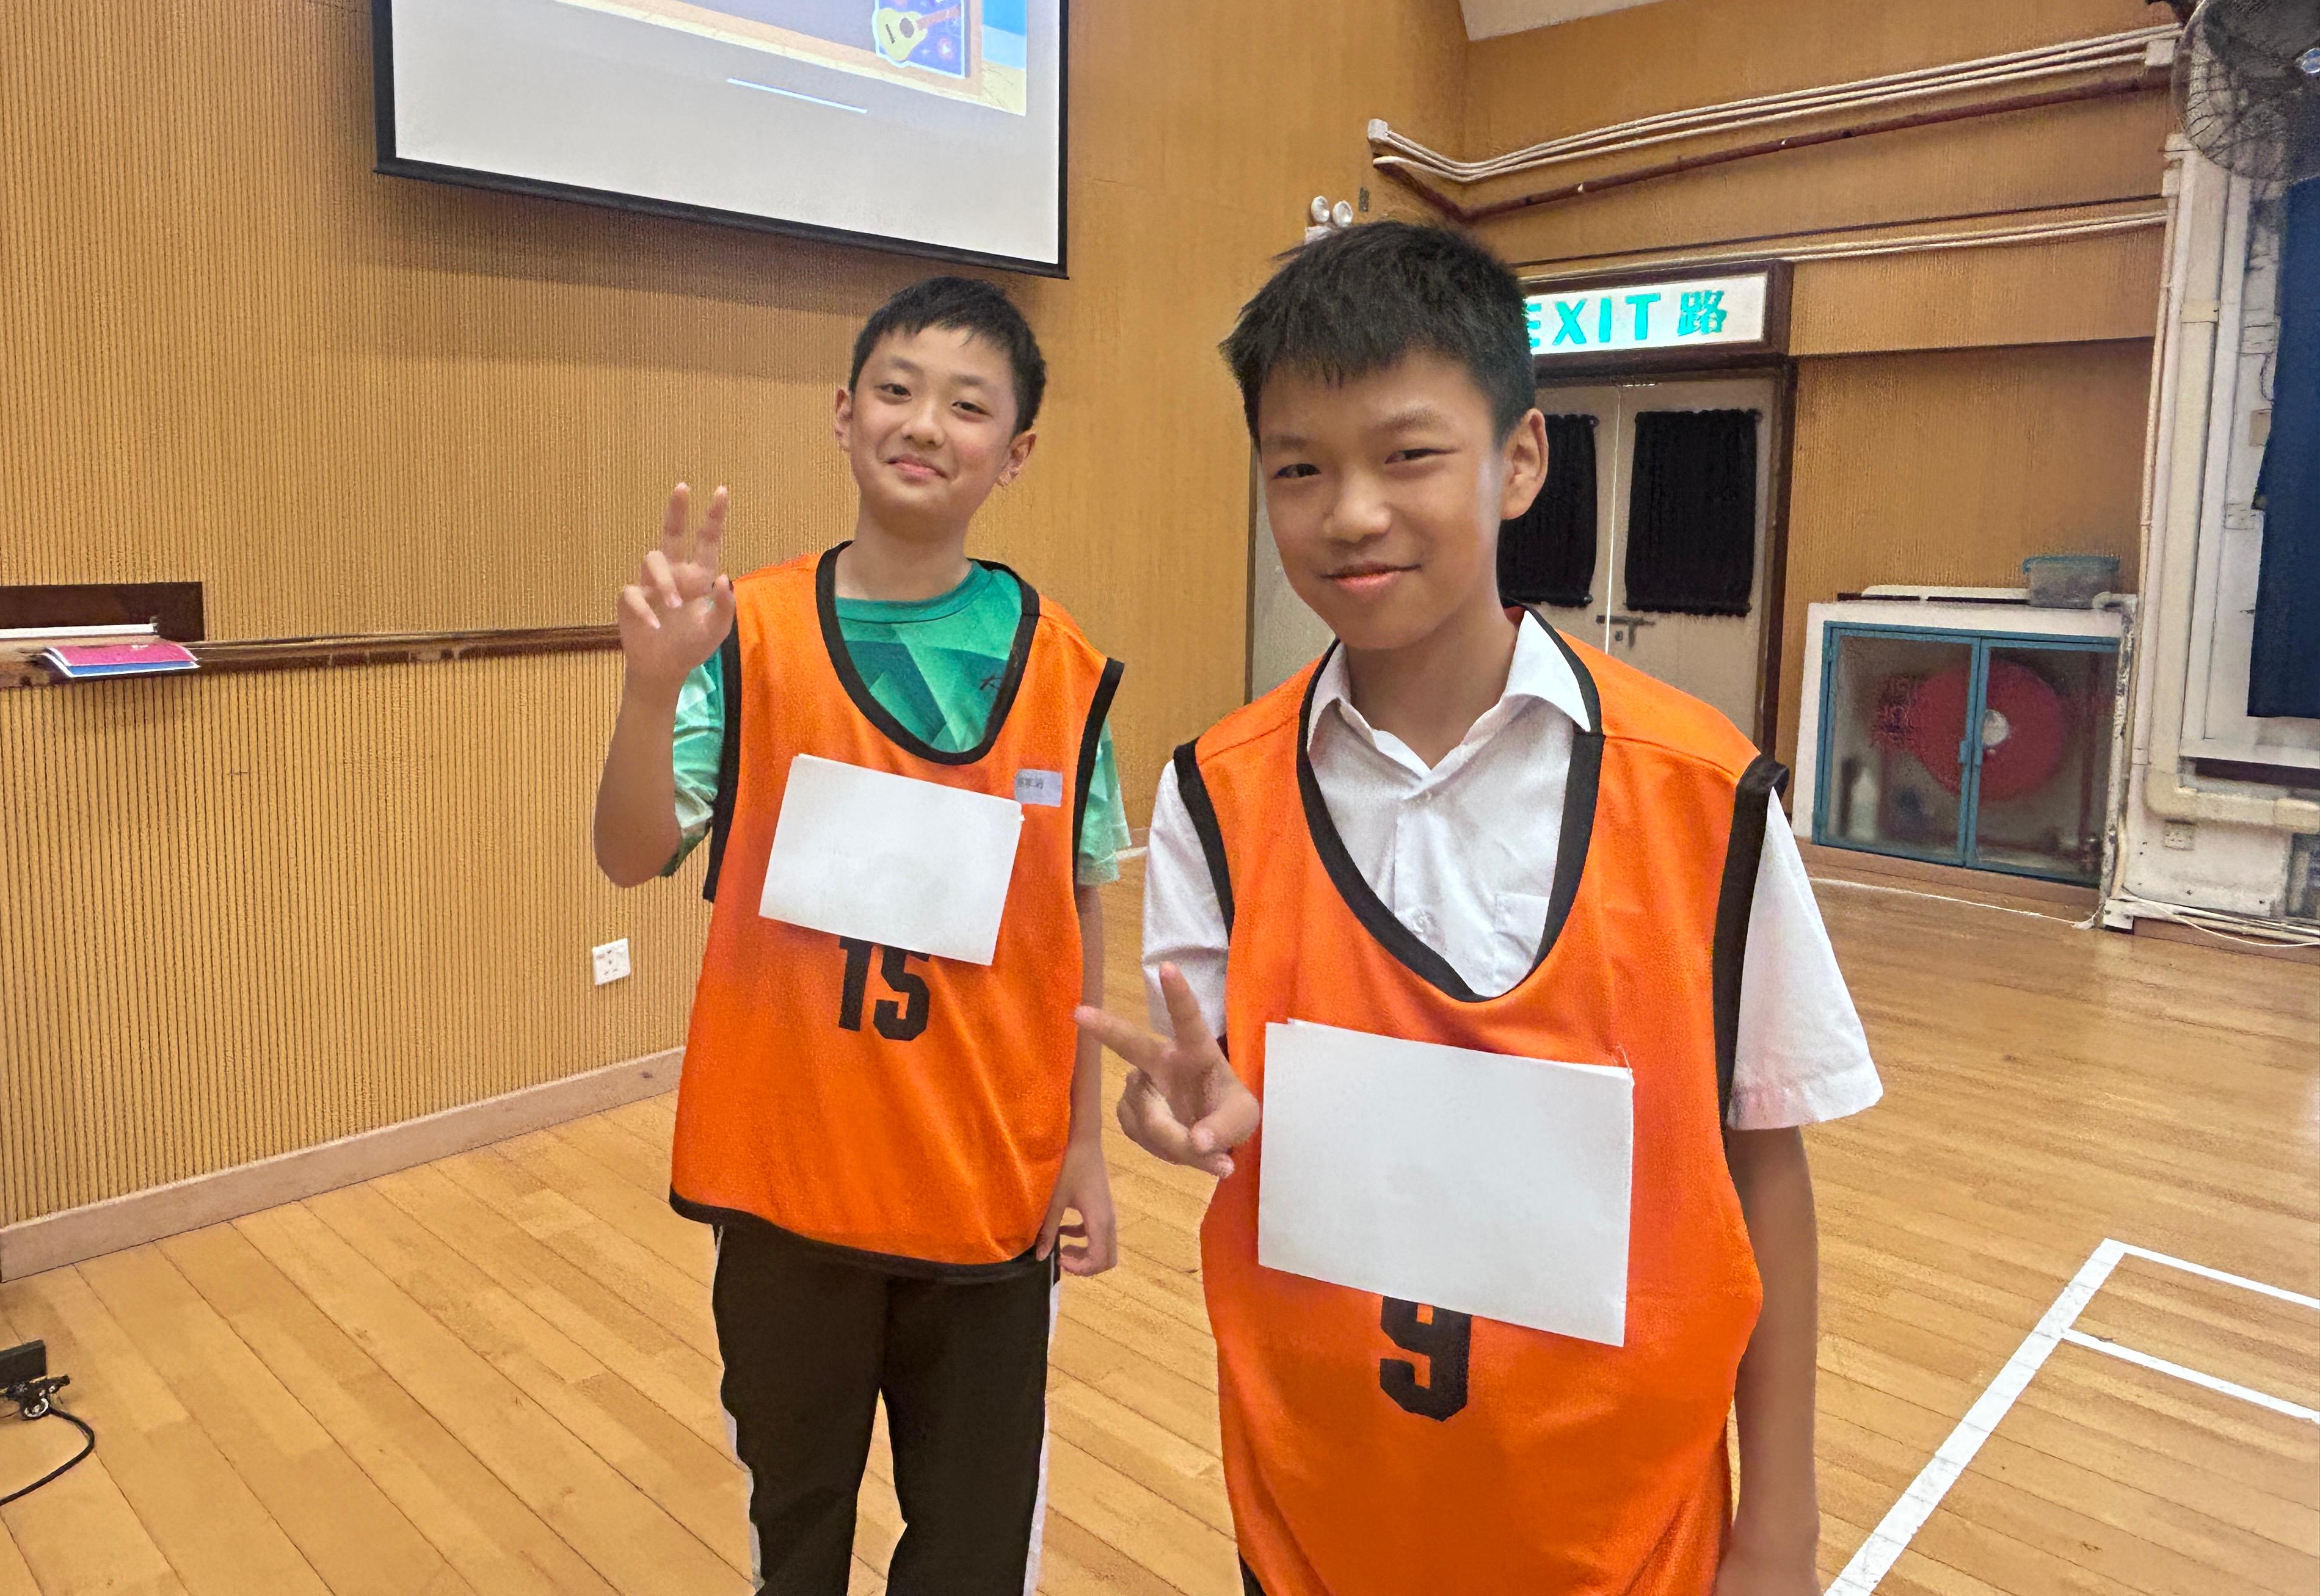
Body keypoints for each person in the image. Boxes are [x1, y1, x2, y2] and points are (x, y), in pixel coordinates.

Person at [1080, 222, 1878, 1596]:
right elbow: (1204, 1084)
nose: (1351, 512)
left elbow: (1762, 1170)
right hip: (1315, 1522)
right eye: (1298, 468)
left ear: (1520, 460)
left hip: (1625, 1542)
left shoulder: (1703, 792)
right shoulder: (1215, 790)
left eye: (1408, 455)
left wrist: (1783, 1528)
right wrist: (1167, 1114)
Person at [593, 275, 1130, 1596]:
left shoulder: (1065, 670)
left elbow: (1073, 926)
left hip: (984, 1189)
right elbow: (629, 852)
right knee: (800, 1533)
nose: (925, 423)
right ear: (844, 414)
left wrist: (1084, 1146)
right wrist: (652, 689)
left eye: (968, 406)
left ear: (1017, 452)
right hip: (790, 1187)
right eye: (897, 390)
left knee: (971, 1548)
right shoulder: (751, 636)